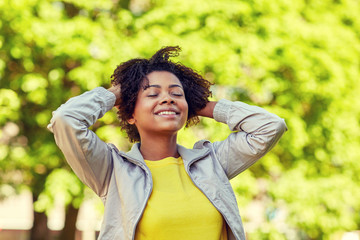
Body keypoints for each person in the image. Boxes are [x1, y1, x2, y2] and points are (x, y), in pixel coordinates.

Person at [48, 46, 287, 240]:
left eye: (176, 93)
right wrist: (120, 92)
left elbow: (269, 127)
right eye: (152, 94)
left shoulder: (212, 163)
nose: (166, 99)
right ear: (131, 114)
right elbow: (66, 120)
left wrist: (197, 103)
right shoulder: (112, 171)